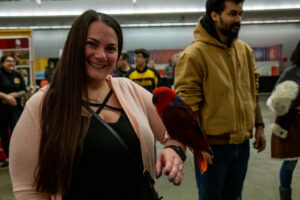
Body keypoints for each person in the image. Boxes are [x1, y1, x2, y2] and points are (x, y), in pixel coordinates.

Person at [9, 10, 185, 200]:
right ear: (74, 46)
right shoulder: (43, 105)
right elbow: (27, 190)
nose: (101, 55)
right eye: (92, 44)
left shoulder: (131, 91)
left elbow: (179, 129)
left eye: (110, 49)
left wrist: (173, 149)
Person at [174, 0, 266, 199]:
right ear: (215, 15)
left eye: (240, 14)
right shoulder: (194, 55)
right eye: (232, 14)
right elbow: (188, 108)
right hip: (213, 149)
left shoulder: (244, 51)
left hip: (241, 145)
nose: (238, 19)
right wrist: (199, 146)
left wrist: (259, 125)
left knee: (235, 197)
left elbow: (253, 91)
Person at [269, 40, 300, 200]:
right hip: (294, 126)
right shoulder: (290, 73)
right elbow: (276, 101)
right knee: (290, 164)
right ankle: (285, 196)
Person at [0, 55, 26, 168]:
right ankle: (8, 157)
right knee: (4, 134)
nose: (12, 63)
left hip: (15, 109)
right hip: (1, 109)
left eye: (13, 61)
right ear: (2, 63)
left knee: (17, 131)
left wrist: (14, 95)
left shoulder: (17, 75)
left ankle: (18, 156)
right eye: (9, 61)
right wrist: (6, 97)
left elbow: (24, 91)